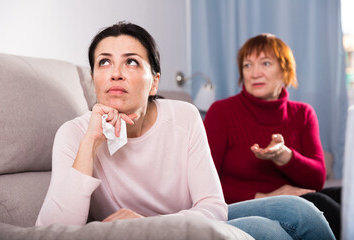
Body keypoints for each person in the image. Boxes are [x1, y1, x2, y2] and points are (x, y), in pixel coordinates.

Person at [36, 22, 335, 239]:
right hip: (145, 232)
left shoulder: (184, 116)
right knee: (269, 232)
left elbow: (213, 206)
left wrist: (156, 223)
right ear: (93, 80)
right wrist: (90, 143)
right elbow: (54, 232)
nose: (116, 72)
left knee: (302, 211)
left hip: (191, 220)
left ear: (154, 82)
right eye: (104, 63)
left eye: (130, 62)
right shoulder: (74, 134)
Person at [204, 33, 341, 239]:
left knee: (346, 197)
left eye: (265, 63)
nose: (254, 73)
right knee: (322, 206)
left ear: (285, 71)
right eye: (247, 65)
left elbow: (318, 179)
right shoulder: (221, 112)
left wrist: (284, 156)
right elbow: (204, 182)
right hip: (245, 203)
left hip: (297, 200)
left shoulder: (303, 113)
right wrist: (266, 197)